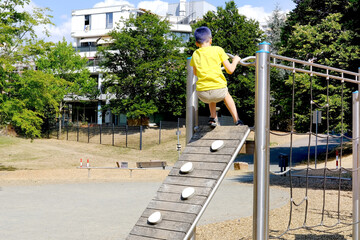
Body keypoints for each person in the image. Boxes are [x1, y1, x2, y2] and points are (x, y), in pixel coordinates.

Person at [190, 26, 243, 127]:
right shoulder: (218, 50)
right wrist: (235, 60)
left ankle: (213, 118)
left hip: (202, 94)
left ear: (196, 43)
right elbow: (230, 70)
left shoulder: (195, 54)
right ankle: (237, 120)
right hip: (218, 91)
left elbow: (195, 73)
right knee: (225, 94)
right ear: (211, 40)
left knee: (211, 92)